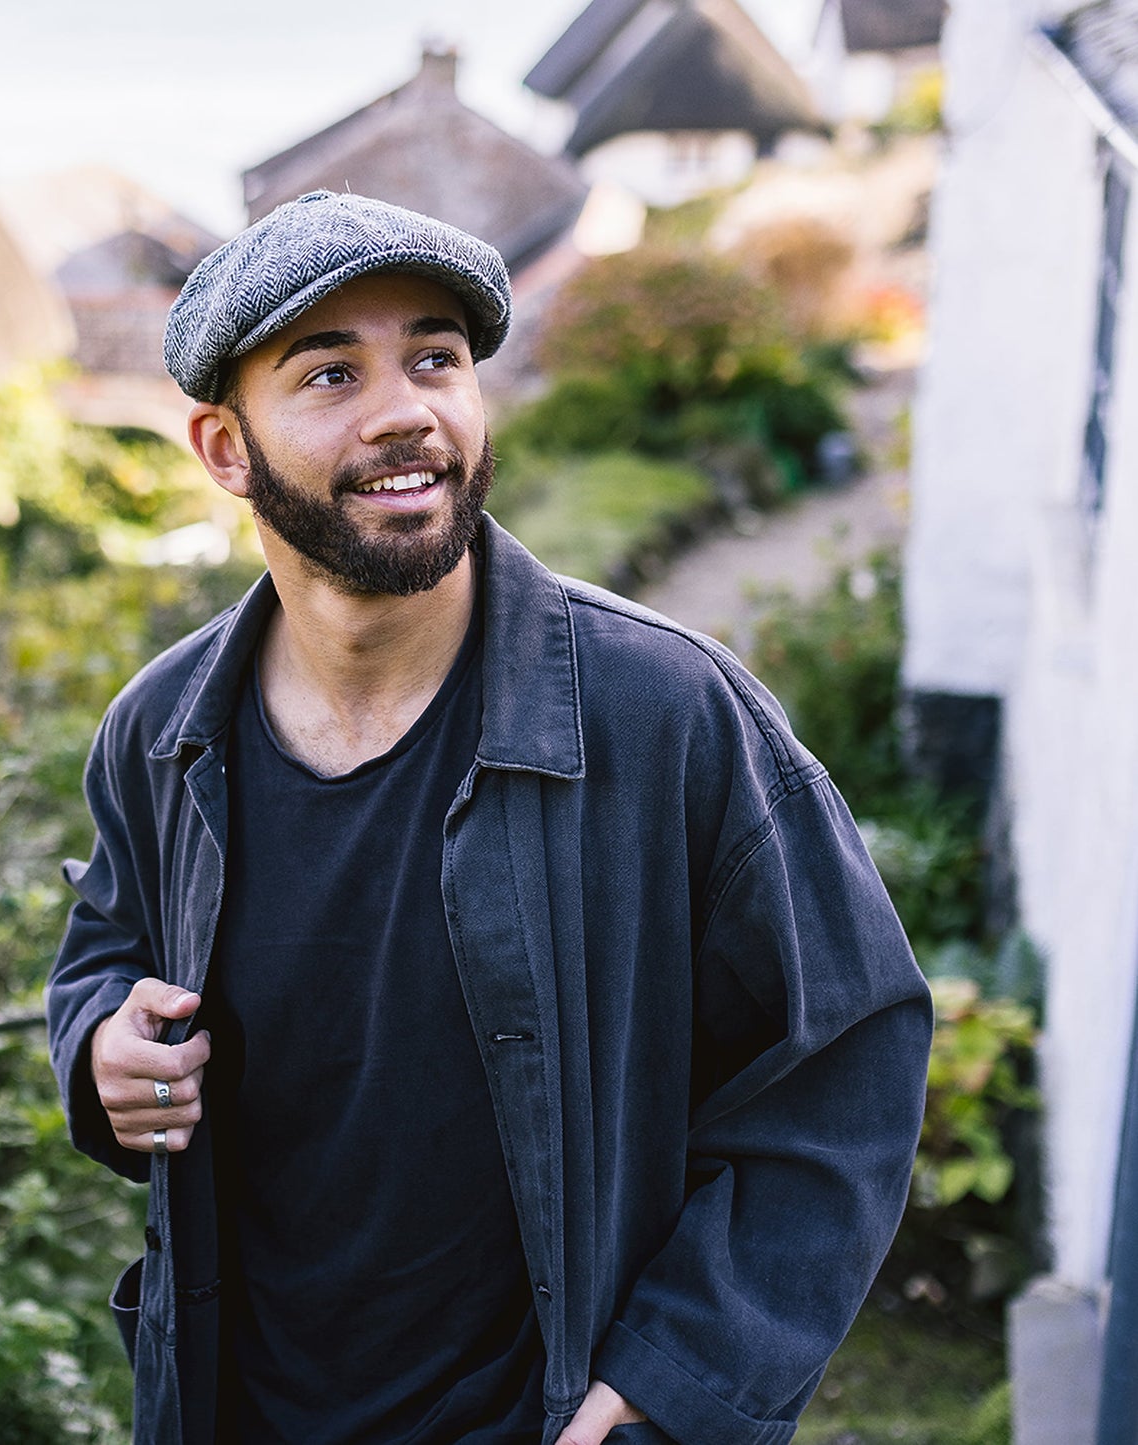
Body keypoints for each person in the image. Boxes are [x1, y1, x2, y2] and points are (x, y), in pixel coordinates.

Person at [46, 191, 933, 1445]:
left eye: (434, 359)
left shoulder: (665, 712)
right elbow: (105, 947)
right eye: (330, 374)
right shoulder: (159, 729)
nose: (404, 409)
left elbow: (847, 1054)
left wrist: (670, 1384)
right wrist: (100, 1045)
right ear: (225, 449)